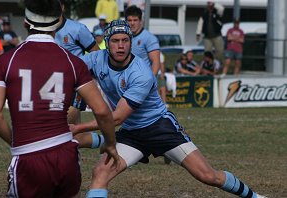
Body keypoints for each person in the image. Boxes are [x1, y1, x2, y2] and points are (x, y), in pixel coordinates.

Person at [72, 19, 266, 198]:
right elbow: (68, 69)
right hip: (132, 134)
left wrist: (77, 128)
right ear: (107, 42)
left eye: (125, 40)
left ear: (131, 42)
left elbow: (116, 118)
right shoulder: (96, 59)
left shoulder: (141, 73)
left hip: (160, 127)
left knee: (208, 176)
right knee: (100, 172)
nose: (120, 45)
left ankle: (255, 197)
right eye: (115, 40)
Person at [0, 0, 119, 197]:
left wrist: (15, 142)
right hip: (66, 157)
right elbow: (102, 111)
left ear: (25, 22)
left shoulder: (6, 61)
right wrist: (110, 143)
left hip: (28, 157)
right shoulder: (73, 61)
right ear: (58, 23)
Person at [55, 0, 100, 124]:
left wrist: (92, 77)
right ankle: (105, 143)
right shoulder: (43, 31)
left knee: (62, 124)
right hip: (55, 82)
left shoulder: (77, 29)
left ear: (62, 7)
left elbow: (96, 53)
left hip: (77, 82)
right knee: (76, 133)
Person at [125, 5, 160, 75]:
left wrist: (150, 82)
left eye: (135, 20)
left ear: (140, 21)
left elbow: (156, 62)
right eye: (129, 20)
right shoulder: (124, 37)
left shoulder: (149, 38)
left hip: (143, 81)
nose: (132, 23)